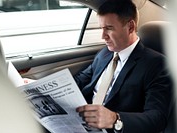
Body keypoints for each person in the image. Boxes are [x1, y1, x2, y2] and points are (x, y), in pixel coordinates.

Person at [74, 0, 173, 133]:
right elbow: (81, 79)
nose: (103, 36)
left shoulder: (157, 65)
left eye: (109, 28)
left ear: (130, 27)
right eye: (101, 29)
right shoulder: (104, 54)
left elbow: (157, 118)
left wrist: (115, 119)